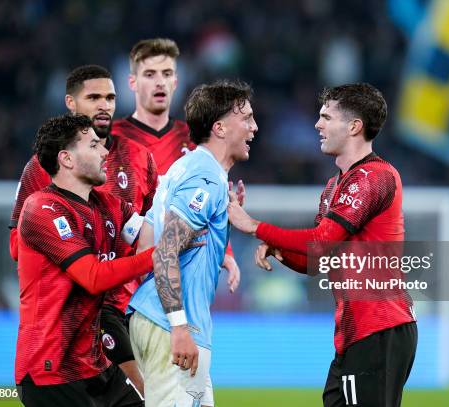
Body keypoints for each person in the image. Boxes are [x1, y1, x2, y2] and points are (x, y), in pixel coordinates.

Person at [227, 83, 418, 407]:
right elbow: (317, 260)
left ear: (354, 126)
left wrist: (254, 226)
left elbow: (322, 238)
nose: (317, 125)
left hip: (381, 324)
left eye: (326, 117)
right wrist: (279, 249)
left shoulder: (375, 176)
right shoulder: (334, 187)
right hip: (355, 331)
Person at [9, 64, 155, 394]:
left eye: (110, 97)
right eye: (94, 97)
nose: (104, 104)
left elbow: (144, 225)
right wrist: (65, 255)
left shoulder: (137, 157)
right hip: (88, 310)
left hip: (126, 297)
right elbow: (18, 243)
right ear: (71, 104)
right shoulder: (42, 171)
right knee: (146, 394)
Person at [128, 80, 256, 406]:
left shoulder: (185, 169)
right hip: (171, 324)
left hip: (157, 318)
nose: (254, 127)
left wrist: (220, 236)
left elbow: (148, 240)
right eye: (246, 119)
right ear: (220, 127)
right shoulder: (205, 177)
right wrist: (179, 327)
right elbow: (164, 251)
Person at [112, 38, 241, 293]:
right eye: (149, 74)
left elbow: (210, 201)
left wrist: (225, 250)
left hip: (177, 278)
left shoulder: (197, 142)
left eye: (166, 74)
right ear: (133, 83)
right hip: (120, 280)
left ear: (175, 82)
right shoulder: (109, 141)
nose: (159, 81)